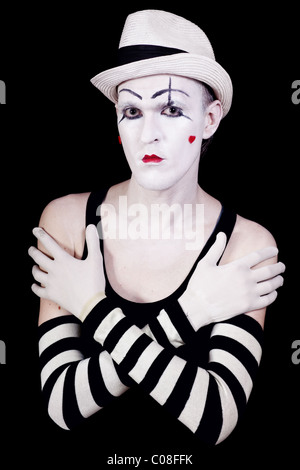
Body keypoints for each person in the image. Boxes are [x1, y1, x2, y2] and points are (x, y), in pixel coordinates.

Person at [28, 10, 285, 446]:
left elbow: (214, 418)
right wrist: (194, 312)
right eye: (131, 110)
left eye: (171, 108)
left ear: (209, 119)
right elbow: (62, 403)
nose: (149, 133)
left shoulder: (246, 245)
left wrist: (89, 305)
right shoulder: (68, 222)